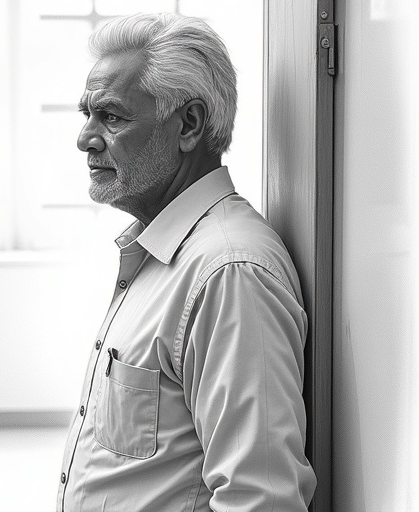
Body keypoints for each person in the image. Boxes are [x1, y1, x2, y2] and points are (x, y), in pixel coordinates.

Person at [57, 13, 316, 511]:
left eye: (112, 116)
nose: (85, 138)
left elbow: (260, 498)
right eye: (86, 114)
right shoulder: (164, 256)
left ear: (189, 125)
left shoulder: (229, 272)